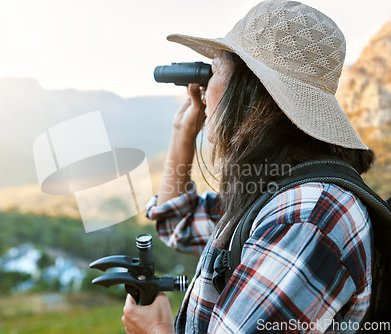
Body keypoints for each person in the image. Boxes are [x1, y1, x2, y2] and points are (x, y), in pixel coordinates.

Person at [122, 0, 375, 333]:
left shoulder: (306, 217)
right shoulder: (273, 192)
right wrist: (182, 134)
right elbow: (177, 223)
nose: (204, 89)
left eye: (213, 72)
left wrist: (156, 330)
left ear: (246, 88)